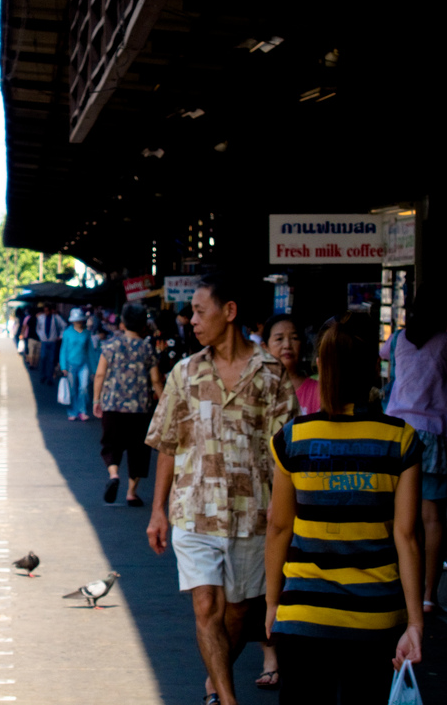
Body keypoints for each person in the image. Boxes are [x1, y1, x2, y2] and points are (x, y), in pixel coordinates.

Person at [145, 272, 296, 705]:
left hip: (255, 516)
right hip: (194, 512)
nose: (192, 320)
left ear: (229, 312)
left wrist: (289, 516)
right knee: (206, 606)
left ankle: (216, 678)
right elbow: (168, 443)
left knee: (241, 611)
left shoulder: (271, 375)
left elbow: (286, 455)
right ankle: (228, 700)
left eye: (199, 311)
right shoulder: (185, 373)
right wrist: (158, 510)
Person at [265, 312, 423, 704]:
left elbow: (279, 527)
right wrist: (416, 623)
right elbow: (406, 535)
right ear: (372, 368)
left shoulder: (292, 439)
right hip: (375, 618)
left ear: (320, 366)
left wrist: (272, 603)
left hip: (303, 616)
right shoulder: (400, 440)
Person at [379, 284, 447, 614]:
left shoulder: (398, 340)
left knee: (401, 517)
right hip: (436, 435)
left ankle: (401, 589)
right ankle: (428, 596)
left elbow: (383, 357)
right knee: (432, 519)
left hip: (398, 434)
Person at [93, 303, 163, 505]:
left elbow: (100, 374)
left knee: (111, 444)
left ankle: (114, 474)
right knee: (138, 450)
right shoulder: (147, 348)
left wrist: (97, 399)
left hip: (112, 405)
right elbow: (156, 379)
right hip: (140, 409)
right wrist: (164, 403)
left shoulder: (110, 346)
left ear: (122, 323)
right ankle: (131, 492)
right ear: (143, 325)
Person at [263, 314, 319, 415]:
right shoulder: (256, 390)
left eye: (294, 338)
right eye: (279, 339)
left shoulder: (318, 392)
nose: (287, 345)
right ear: (265, 347)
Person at [59, 308, 93, 421]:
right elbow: (63, 350)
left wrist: (94, 369)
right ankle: (72, 411)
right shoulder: (67, 333)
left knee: (84, 388)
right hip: (70, 365)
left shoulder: (87, 333)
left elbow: (90, 351)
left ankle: (82, 410)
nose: (78, 322)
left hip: (84, 364)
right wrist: (63, 366)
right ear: (73, 321)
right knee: (72, 389)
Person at [36, 304, 66, 385]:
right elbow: (38, 328)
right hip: (44, 341)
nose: (47, 312)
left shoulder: (56, 318)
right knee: (43, 358)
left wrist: (60, 336)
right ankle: (43, 376)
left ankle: (50, 377)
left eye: (48, 311)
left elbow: (64, 326)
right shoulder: (41, 318)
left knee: (51, 360)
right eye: (45, 311)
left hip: (52, 341)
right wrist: (41, 336)